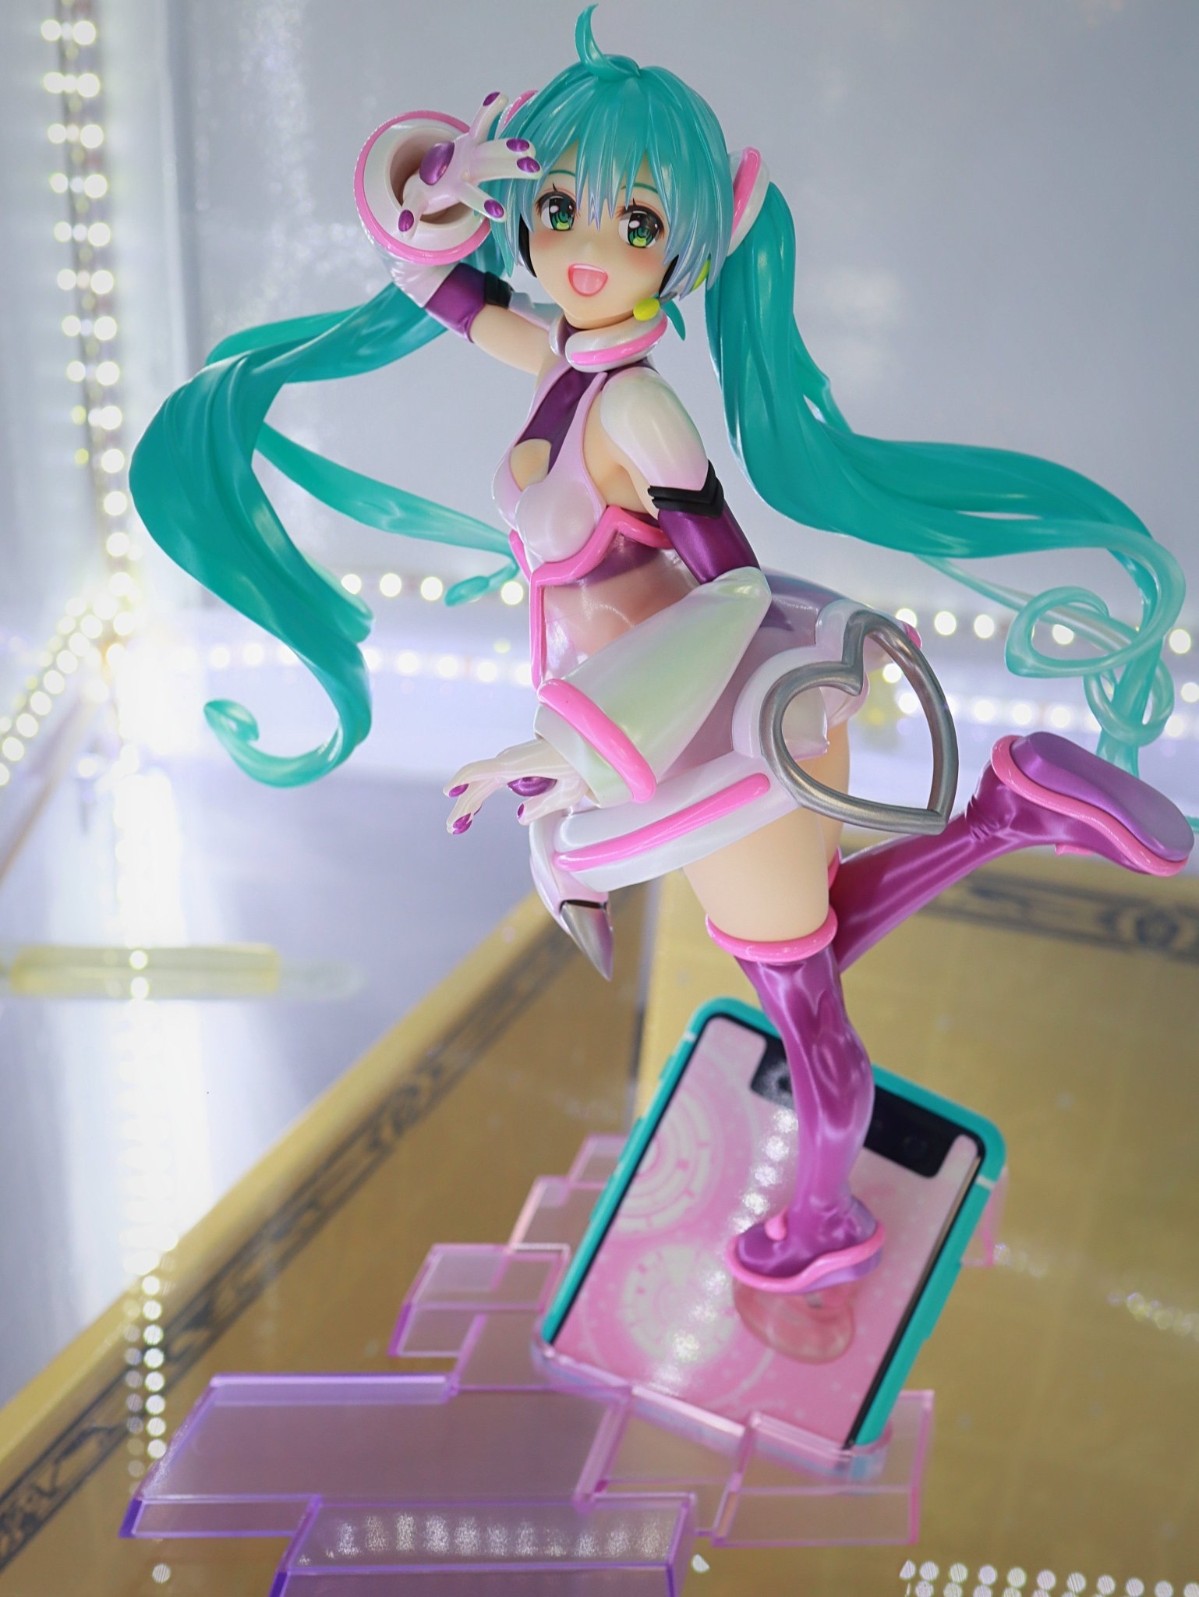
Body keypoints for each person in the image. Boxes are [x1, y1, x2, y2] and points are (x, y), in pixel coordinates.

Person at [130, 9, 1193, 1298]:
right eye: (560, 208)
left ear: (693, 240)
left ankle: (826, 1213)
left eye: (634, 224)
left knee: (803, 999)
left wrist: (567, 744)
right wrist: (445, 178)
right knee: (799, 946)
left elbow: (731, 586)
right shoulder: (566, 360)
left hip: (699, 718)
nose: (586, 252)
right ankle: (1012, 811)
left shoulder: (635, 405)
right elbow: (431, 282)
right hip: (650, 716)